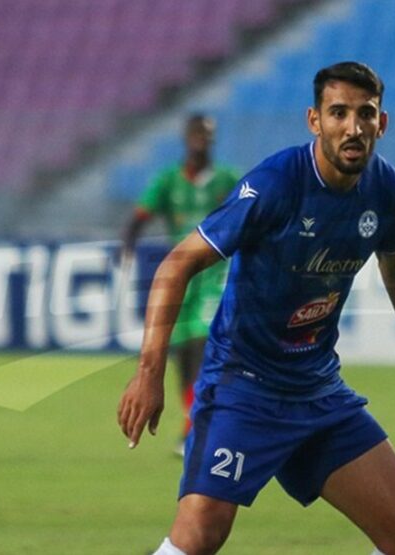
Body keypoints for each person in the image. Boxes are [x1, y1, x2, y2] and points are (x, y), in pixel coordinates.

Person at [118, 62, 395, 555]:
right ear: (314, 120)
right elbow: (176, 265)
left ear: (382, 123)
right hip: (243, 387)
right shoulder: (276, 184)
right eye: (338, 112)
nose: (353, 127)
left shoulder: (387, 191)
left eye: (365, 113)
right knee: (201, 535)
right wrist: (149, 373)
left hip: (316, 391)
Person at [120, 114, 239, 455]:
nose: (203, 139)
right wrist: (128, 248)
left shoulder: (228, 179)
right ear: (186, 138)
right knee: (184, 354)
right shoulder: (168, 180)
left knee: (203, 343)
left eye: (208, 134)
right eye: (198, 133)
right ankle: (193, 422)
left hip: (215, 274)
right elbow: (139, 218)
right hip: (182, 277)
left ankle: (195, 430)